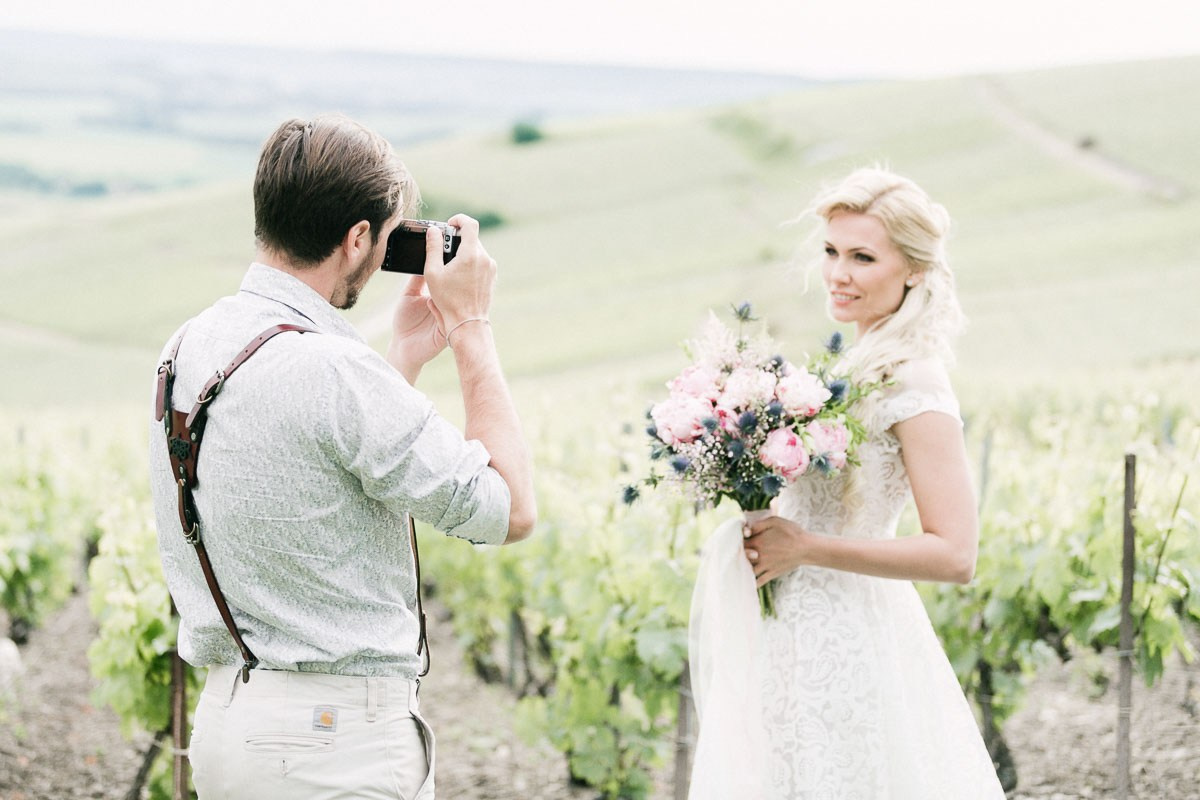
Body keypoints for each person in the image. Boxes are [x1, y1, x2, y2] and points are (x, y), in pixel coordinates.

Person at [148, 114, 536, 800]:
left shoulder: (186, 345)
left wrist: (400, 363)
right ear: (359, 238)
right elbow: (508, 510)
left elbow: (309, 463)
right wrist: (471, 328)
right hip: (335, 746)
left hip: (228, 730)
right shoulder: (333, 372)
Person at [688, 167, 1004, 798]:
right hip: (785, 634)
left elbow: (955, 553)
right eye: (832, 252)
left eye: (863, 257)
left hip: (853, 639)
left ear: (914, 268)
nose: (838, 273)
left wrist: (806, 548)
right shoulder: (851, 369)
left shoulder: (916, 382)